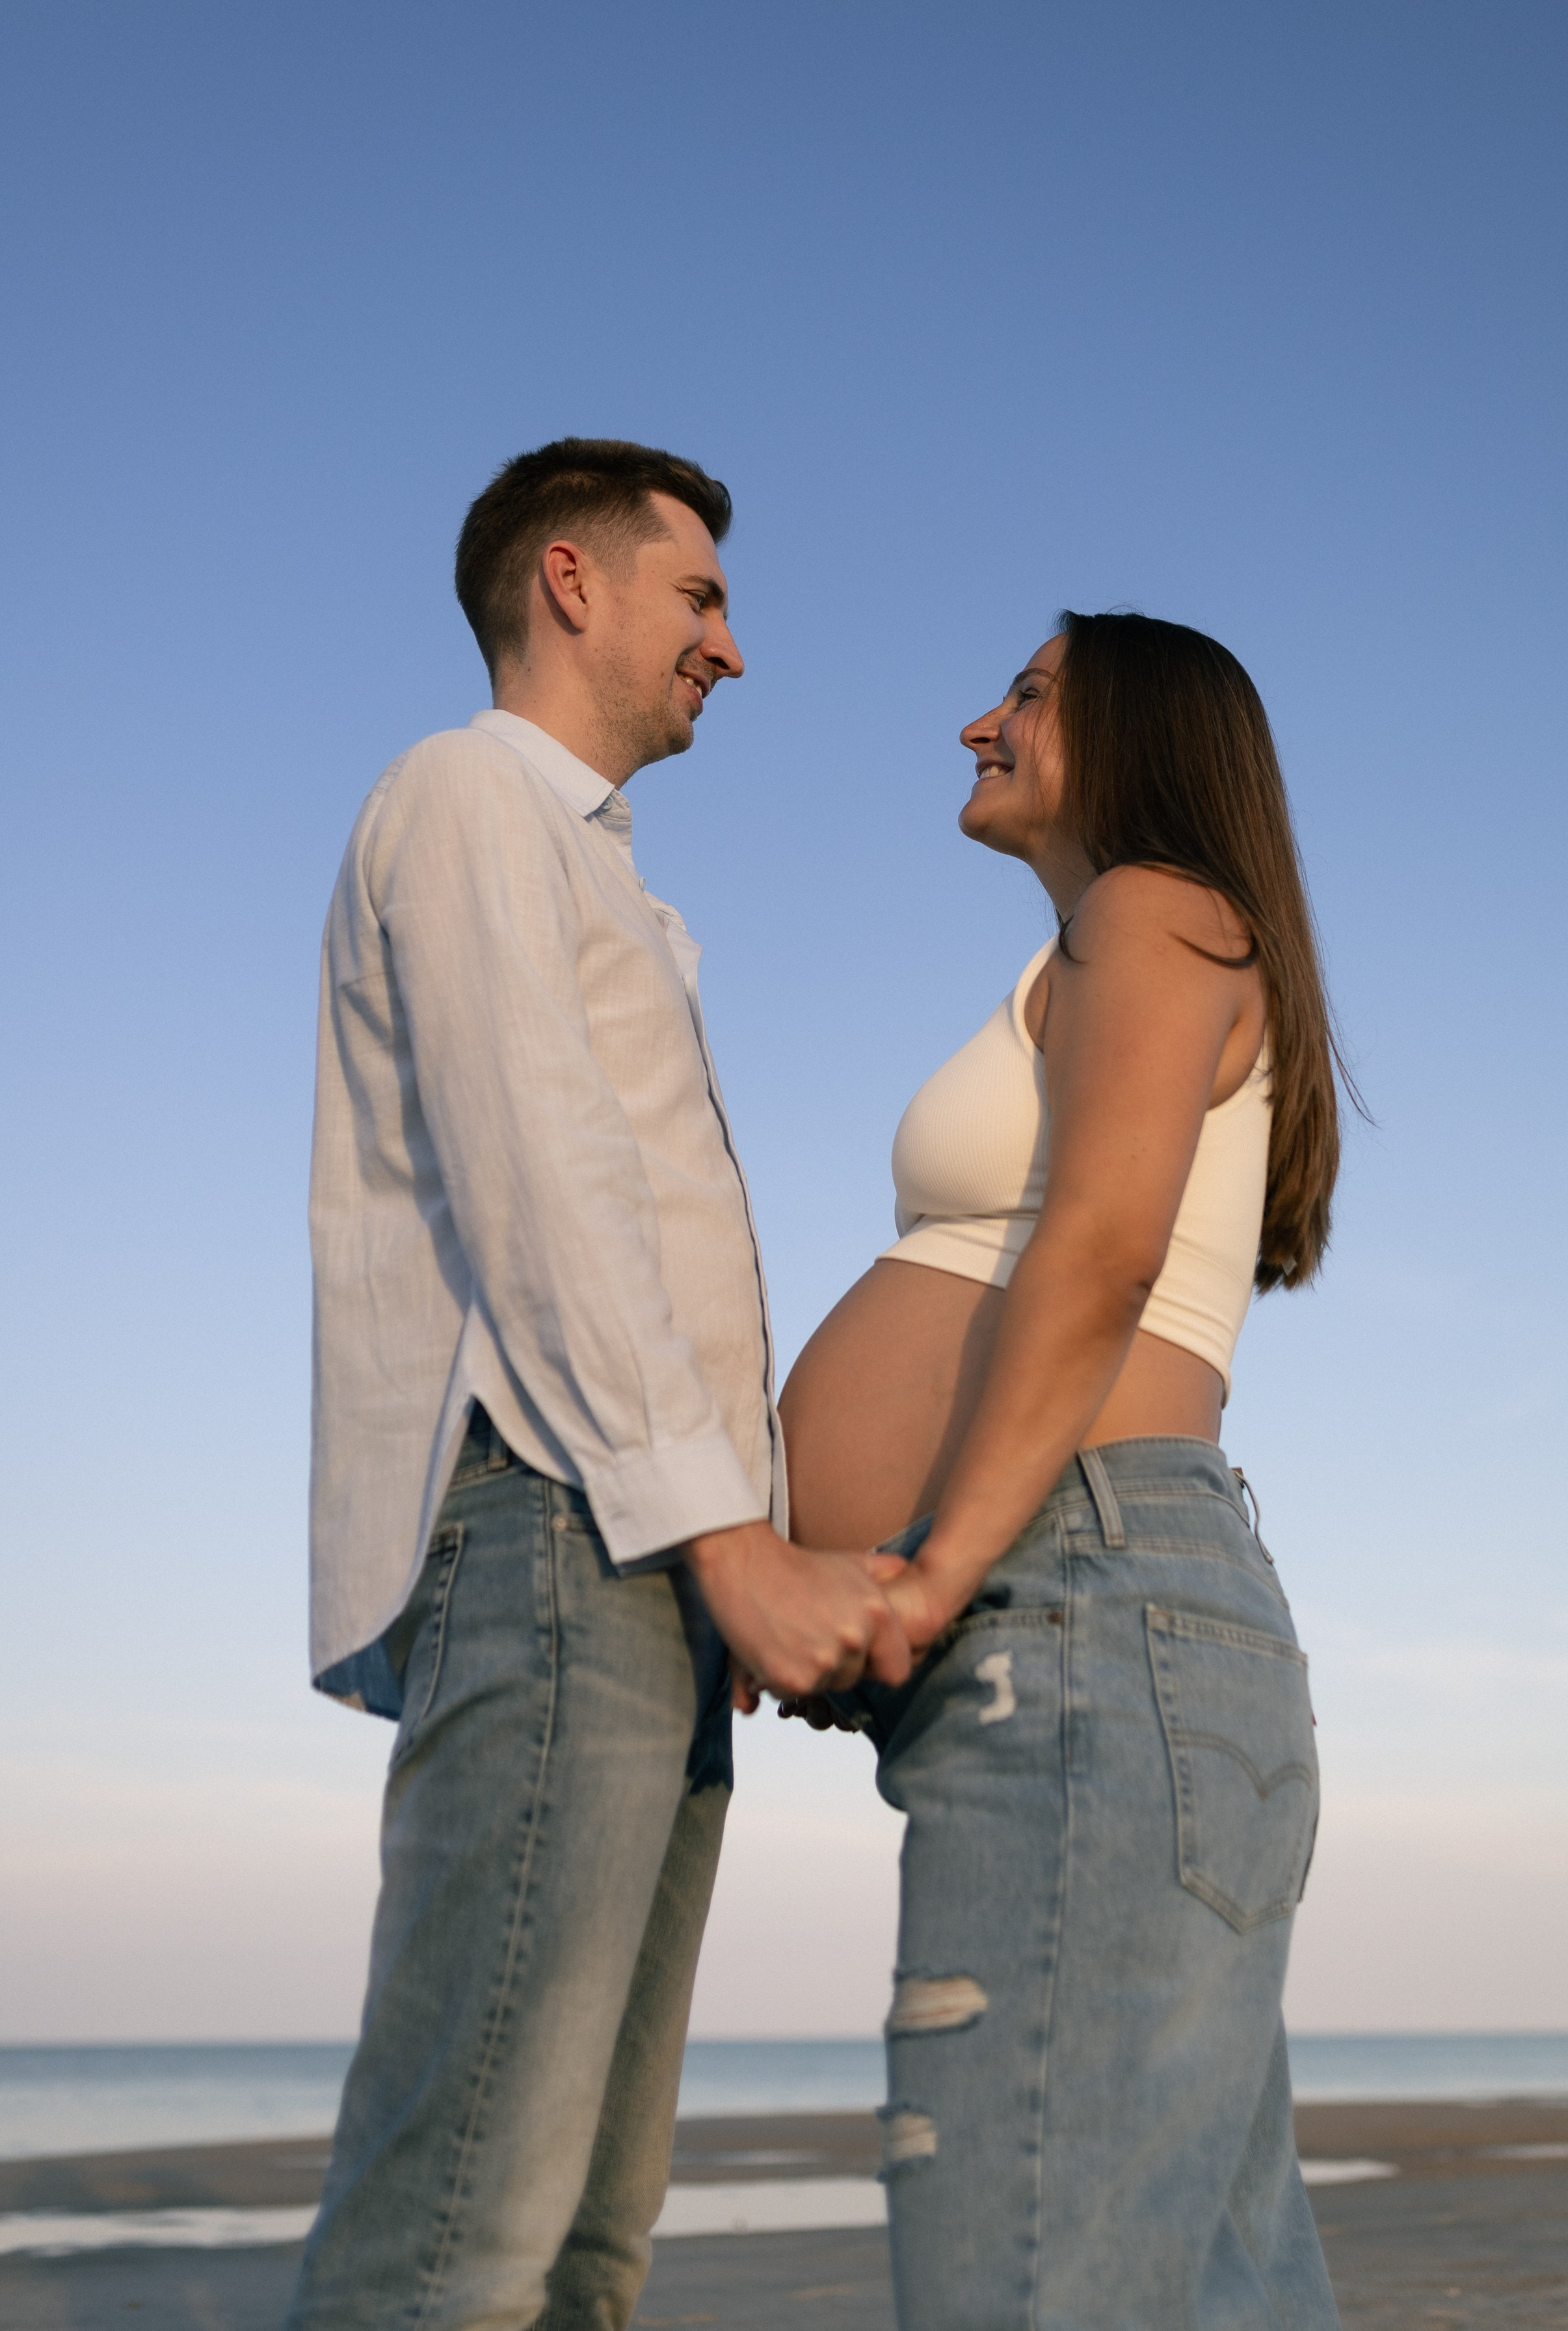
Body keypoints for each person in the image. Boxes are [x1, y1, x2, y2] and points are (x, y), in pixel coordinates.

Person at [289, 437, 909, 2331]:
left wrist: (714, 1542)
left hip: (634, 1560)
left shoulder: (598, 874)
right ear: (573, 582)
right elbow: (547, 1196)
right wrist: (730, 1540)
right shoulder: (470, 797)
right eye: (701, 596)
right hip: (569, 1532)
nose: (732, 645)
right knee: (465, 2217)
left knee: (582, 2242)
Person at [778, 613, 1347, 2328]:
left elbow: (1095, 1255)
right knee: (1210, 2288)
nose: (980, 720)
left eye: (1029, 694)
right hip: (1115, 1631)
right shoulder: (1134, 949)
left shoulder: (1150, 910)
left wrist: (937, 1564)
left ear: (1146, 739)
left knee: (1027, 2282)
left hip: (1080, 1616)